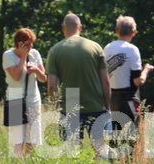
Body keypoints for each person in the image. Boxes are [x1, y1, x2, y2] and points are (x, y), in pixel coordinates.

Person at [46, 13, 113, 156]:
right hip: (95, 101)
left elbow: (52, 85)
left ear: (63, 28)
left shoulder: (55, 50)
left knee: (72, 150)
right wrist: (107, 105)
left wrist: (56, 105)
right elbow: (106, 81)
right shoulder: (95, 47)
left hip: (70, 102)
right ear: (80, 27)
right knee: (100, 147)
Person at [104, 15, 153, 134]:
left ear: (117, 31)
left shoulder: (107, 48)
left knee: (114, 136)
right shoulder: (132, 50)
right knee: (132, 136)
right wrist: (146, 69)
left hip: (112, 97)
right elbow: (138, 81)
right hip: (129, 98)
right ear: (134, 32)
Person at [2, 27, 47, 157]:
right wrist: (23, 58)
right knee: (17, 139)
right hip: (15, 99)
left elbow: (44, 78)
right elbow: (16, 77)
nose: (31, 46)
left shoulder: (35, 54)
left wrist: (36, 71)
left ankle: (28, 163)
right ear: (19, 43)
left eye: (32, 43)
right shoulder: (8, 55)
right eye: (27, 44)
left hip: (33, 99)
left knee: (32, 136)